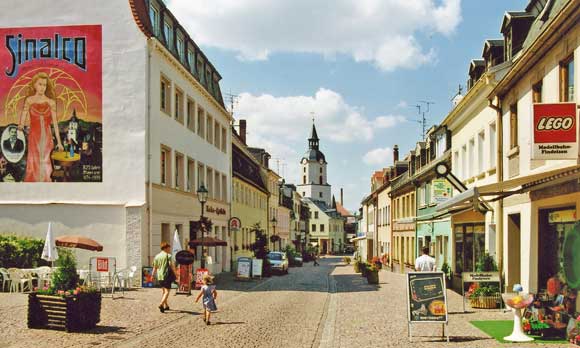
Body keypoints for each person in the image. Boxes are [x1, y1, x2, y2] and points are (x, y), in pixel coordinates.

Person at [18, 72, 64, 182]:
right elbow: (23, 118)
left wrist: (59, 142)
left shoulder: (51, 102)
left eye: (45, 85)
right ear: (34, 85)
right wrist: (20, 126)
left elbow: (55, 124)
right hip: (34, 136)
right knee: (34, 162)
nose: (43, 87)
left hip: (48, 138)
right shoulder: (29, 100)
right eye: (40, 84)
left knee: (47, 163)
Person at [152, 242, 177, 313]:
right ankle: (161, 304)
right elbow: (171, 266)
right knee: (167, 292)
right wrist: (176, 274)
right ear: (165, 248)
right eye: (169, 248)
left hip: (159, 276)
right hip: (166, 276)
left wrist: (152, 275)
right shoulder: (168, 256)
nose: (170, 249)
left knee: (164, 291)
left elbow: (155, 267)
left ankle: (166, 306)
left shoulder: (157, 256)